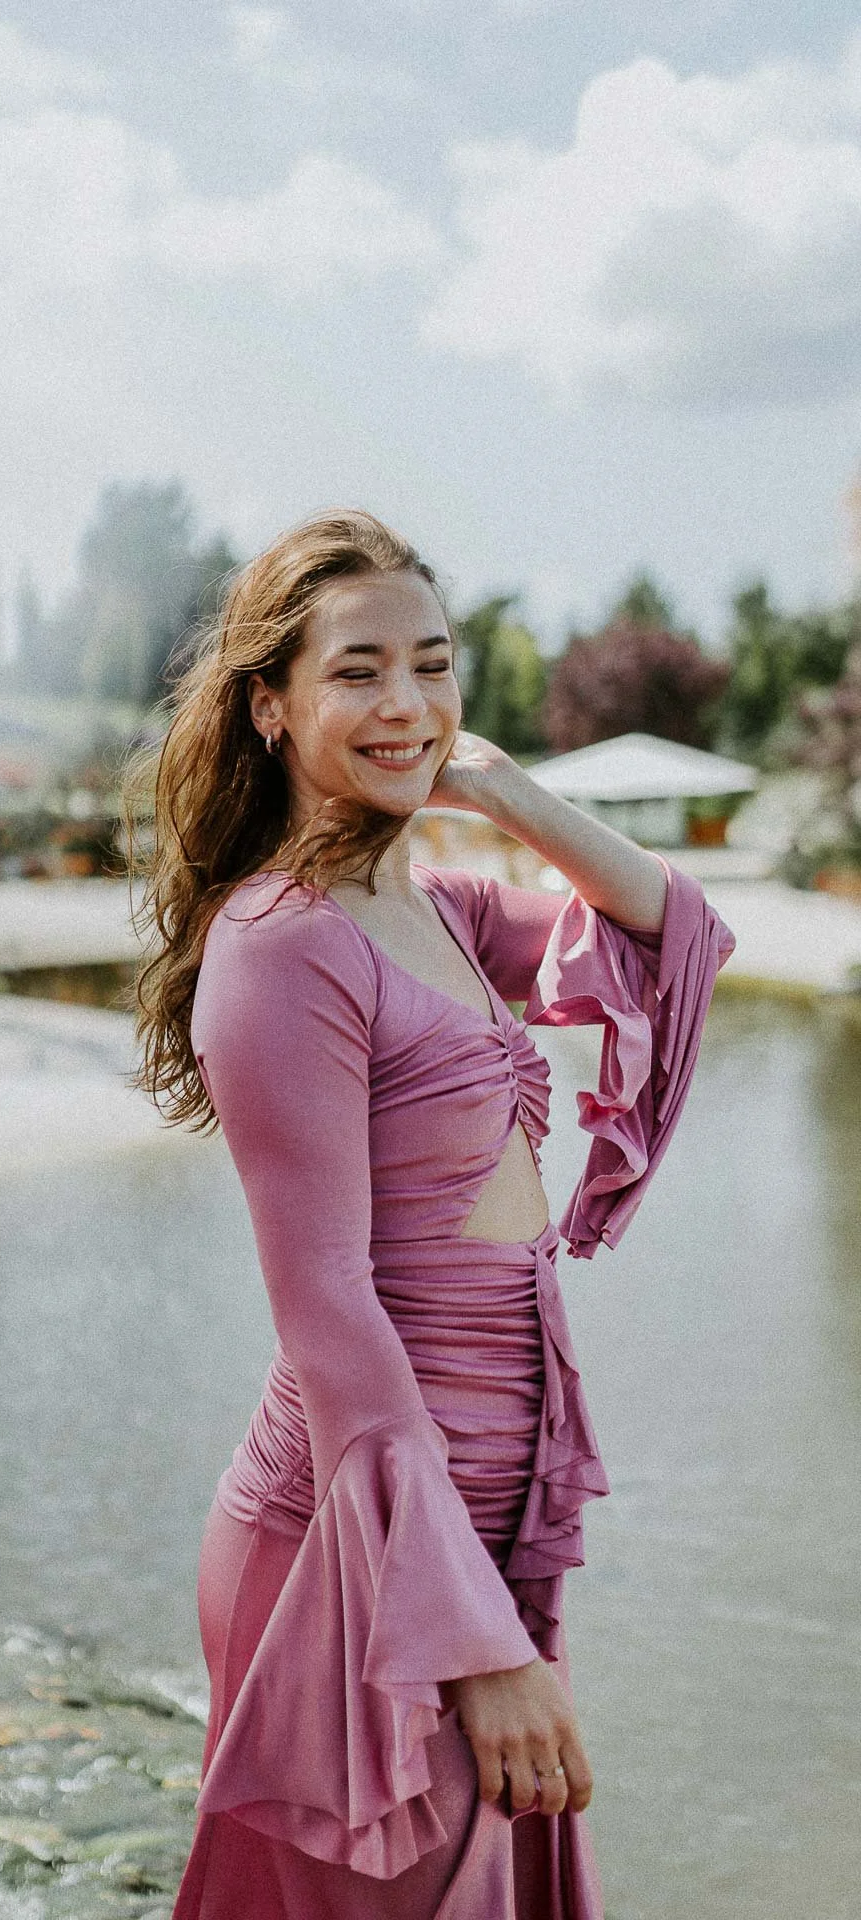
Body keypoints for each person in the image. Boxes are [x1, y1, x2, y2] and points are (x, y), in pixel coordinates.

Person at [123, 510, 735, 1919]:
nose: (403, 704)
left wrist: (506, 792)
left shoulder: (436, 905)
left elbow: (667, 927)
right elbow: (329, 1306)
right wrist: (478, 1647)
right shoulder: (280, 949)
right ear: (268, 706)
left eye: (432, 665)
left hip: (492, 1522)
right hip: (363, 1544)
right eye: (357, 673)